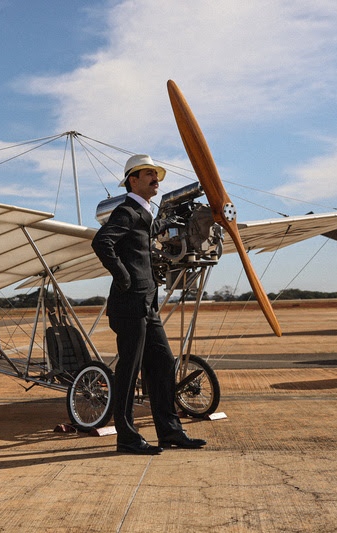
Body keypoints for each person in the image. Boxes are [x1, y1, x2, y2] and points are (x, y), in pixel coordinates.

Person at [91, 154, 207, 455]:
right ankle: (126, 437)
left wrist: (170, 221)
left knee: (164, 363)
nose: (156, 179)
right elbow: (101, 242)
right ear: (133, 180)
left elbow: (146, 233)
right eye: (149, 174)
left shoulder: (142, 214)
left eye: (157, 174)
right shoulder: (127, 211)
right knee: (129, 371)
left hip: (147, 304)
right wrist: (124, 277)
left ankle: (169, 432)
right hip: (130, 304)